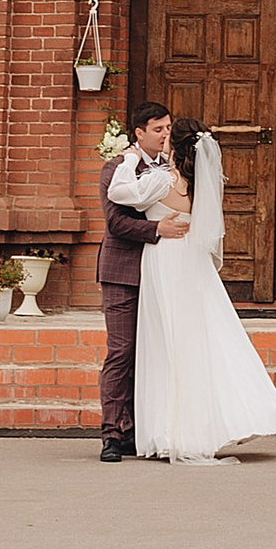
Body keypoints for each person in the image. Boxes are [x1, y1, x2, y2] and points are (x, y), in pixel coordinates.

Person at [132, 117, 276, 463]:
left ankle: (173, 431)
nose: (162, 139)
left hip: (166, 260)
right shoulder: (198, 184)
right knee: (204, 336)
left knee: (169, 342)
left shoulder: (160, 181)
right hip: (192, 263)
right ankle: (209, 422)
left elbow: (122, 196)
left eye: (167, 135)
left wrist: (131, 156)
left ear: (174, 145)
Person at [96, 107, 186, 465]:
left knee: (151, 353)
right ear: (139, 133)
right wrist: (156, 230)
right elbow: (115, 222)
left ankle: (139, 429)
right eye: (158, 129)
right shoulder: (117, 166)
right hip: (122, 272)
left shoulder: (172, 169)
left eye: (168, 128)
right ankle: (111, 434)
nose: (165, 134)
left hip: (161, 273)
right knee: (122, 352)